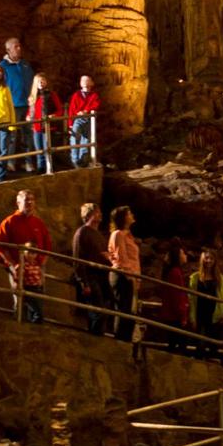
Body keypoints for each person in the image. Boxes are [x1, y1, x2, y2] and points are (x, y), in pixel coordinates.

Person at [0, 188, 51, 325]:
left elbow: (47, 245)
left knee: (37, 298)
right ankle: (19, 326)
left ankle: (34, 327)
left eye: (32, 200)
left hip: (35, 269)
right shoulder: (9, 222)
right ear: (18, 202)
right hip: (18, 267)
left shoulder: (38, 223)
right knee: (20, 298)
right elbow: (1, 245)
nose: (30, 203)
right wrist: (12, 264)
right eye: (27, 200)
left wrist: (41, 264)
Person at [71, 200, 111, 336]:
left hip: (101, 276)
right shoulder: (82, 233)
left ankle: (97, 336)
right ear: (88, 215)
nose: (100, 214)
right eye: (96, 212)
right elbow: (77, 258)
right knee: (97, 311)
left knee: (104, 309)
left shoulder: (98, 235)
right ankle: (94, 337)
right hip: (90, 276)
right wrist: (83, 282)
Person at [107, 205, 142, 344]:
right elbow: (121, 257)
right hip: (123, 275)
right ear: (123, 217)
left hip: (130, 276)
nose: (132, 215)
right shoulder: (118, 234)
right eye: (129, 213)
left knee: (129, 310)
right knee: (123, 309)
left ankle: (126, 339)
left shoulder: (128, 236)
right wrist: (131, 276)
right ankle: (120, 340)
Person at [188, 248, 223, 352]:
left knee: (214, 345)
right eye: (207, 258)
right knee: (200, 344)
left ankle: (212, 365)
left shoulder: (219, 278)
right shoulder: (195, 278)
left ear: (215, 261)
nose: (209, 261)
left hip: (215, 314)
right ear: (202, 259)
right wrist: (192, 317)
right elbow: (191, 299)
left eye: (211, 258)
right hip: (200, 314)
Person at [1, 37, 33, 173]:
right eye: (16, 47)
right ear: (8, 50)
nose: (19, 48)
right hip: (13, 105)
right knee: (12, 136)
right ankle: (11, 162)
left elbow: (33, 82)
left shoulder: (25, 65)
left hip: (28, 105)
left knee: (28, 135)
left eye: (19, 46)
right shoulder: (3, 67)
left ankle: (28, 162)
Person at [27, 72, 63, 173]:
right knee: (39, 149)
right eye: (38, 81)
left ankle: (49, 167)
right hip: (36, 127)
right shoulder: (33, 97)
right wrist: (28, 116)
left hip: (48, 126)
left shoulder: (52, 95)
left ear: (46, 82)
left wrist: (53, 116)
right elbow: (30, 111)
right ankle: (40, 168)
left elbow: (59, 110)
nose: (41, 83)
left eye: (42, 81)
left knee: (47, 148)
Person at [158, 237, 190, 349]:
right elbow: (177, 296)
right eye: (183, 253)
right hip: (175, 316)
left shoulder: (173, 272)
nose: (185, 255)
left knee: (174, 343)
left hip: (171, 314)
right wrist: (183, 315)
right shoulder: (175, 273)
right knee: (180, 344)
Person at [67, 74, 100, 167]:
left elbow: (96, 105)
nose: (85, 82)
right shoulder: (76, 95)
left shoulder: (94, 95)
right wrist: (70, 123)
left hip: (89, 119)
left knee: (85, 140)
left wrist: (86, 111)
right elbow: (72, 110)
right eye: (83, 80)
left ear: (92, 83)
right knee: (74, 137)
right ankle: (74, 159)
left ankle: (83, 159)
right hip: (78, 119)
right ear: (80, 84)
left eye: (87, 80)